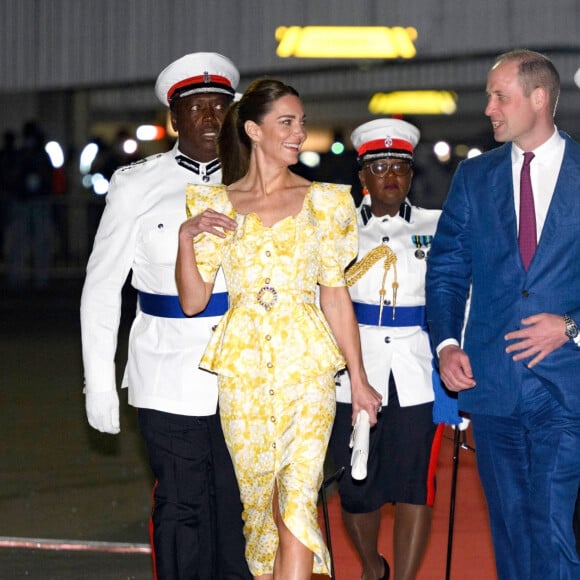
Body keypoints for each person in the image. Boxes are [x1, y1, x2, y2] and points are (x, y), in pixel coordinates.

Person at [175, 78, 382, 579]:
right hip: (242, 380)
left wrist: (358, 379)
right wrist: (186, 237)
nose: (298, 132)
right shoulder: (215, 204)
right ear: (253, 130)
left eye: (301, 122)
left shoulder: (326, 203)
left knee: (295, 501)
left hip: (307, 374)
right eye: (286, 122)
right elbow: (193, 299)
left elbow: (335, 294)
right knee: (262, 517)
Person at [80, 52, 251, 580]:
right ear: (174, 119)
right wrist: (99, 384)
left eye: (218, 106)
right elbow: (103, 287)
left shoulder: (262, 183)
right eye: (194, 107)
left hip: (247, 372)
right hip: (165, 370)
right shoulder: (136, 185)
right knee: (182, 506)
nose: (208, 117)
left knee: (240, 509)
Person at [425, 49, 580, 579]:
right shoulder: (475, 177)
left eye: (499, 95)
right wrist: (446, 346)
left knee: (553, 524)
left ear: (539, 99)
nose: (488, 107)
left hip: (564, 387)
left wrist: (571, 326)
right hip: (490, 384)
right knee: (510, 530)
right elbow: (446, 269)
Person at [328, 118, 446, 580]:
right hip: (353, 374)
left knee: (415, 486)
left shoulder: (436, 227)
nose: (391, 176)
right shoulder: (337, 232)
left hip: (417, 374)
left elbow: (460, 296)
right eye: (379, 168)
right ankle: (373, 566)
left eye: (400, 166)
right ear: (362, 177)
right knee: (357, 488)